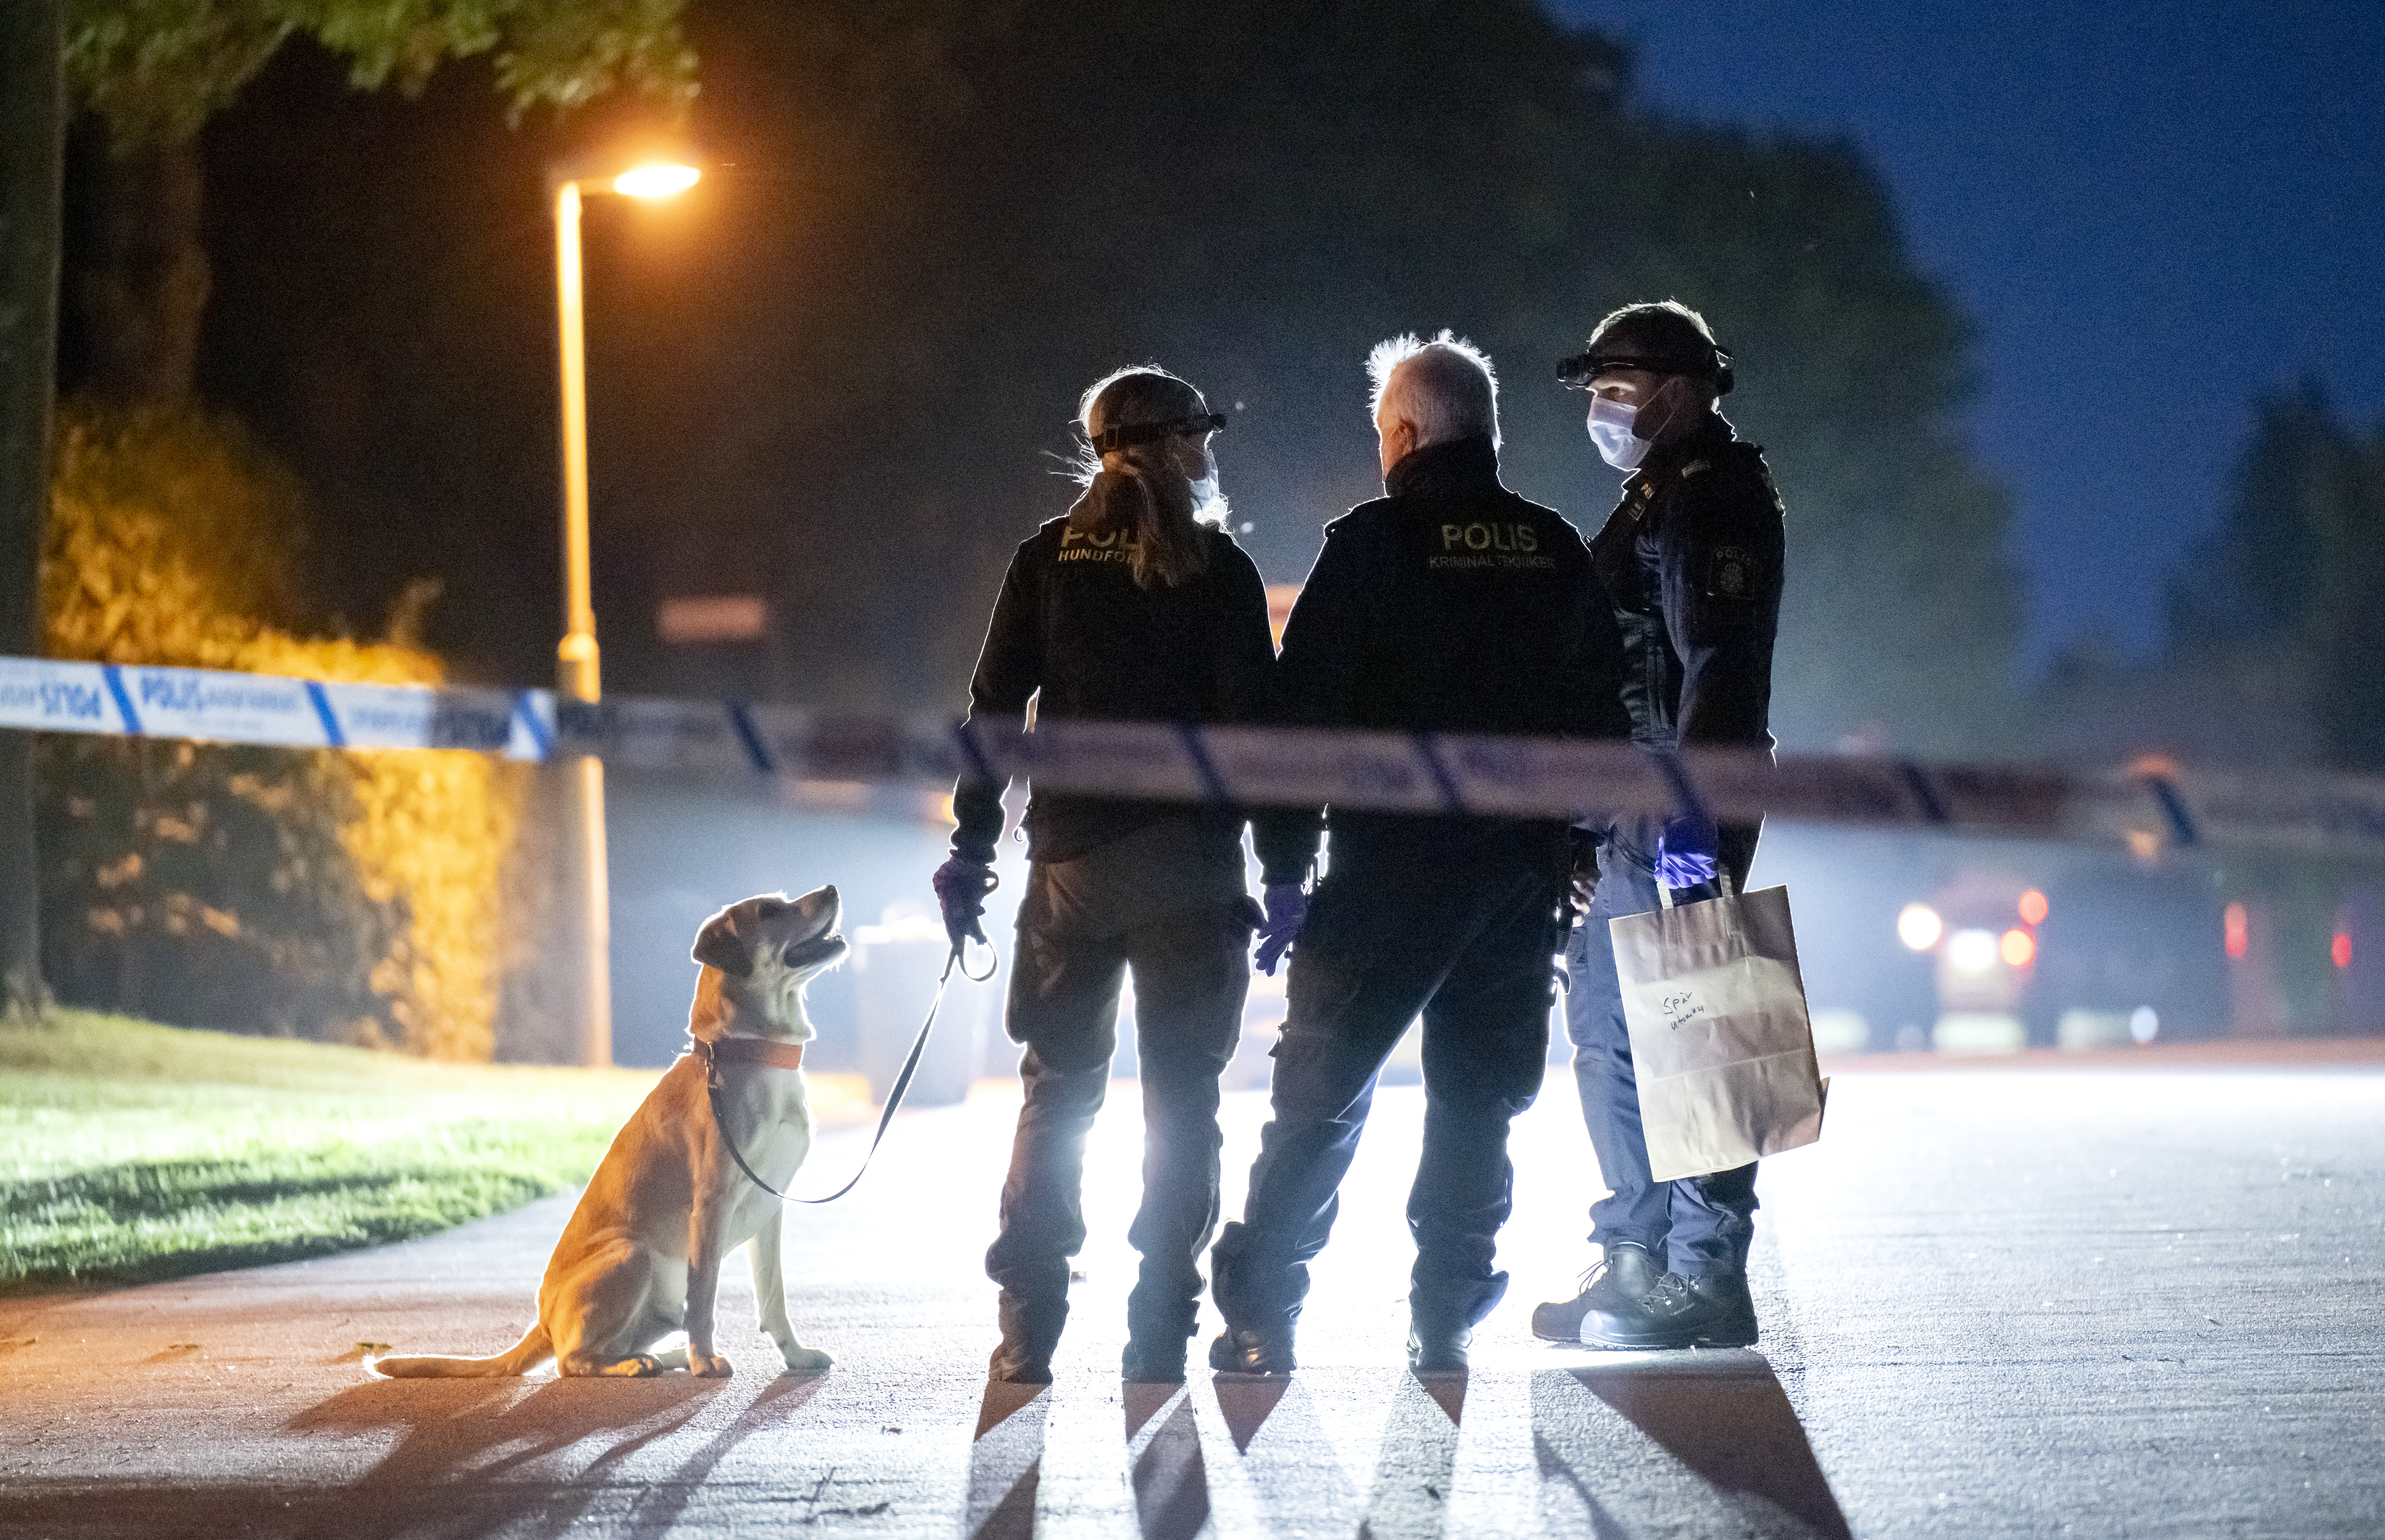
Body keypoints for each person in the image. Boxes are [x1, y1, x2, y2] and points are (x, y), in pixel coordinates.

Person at [1208, 332, 1631, 1376]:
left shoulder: (1371, 544)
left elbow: (1303, 721)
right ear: (1485, 431)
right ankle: (1446, 1312)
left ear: (1402, 432)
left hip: (1382, 877)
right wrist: (1578, 841)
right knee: (1478, 1103)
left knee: (1320, 1098)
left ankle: (1263, 1312)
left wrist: (1286, 868)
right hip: (1517, 879)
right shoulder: (1553, 547)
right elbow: (1601, 719)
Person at [933, 367, 1283, 1386]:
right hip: (1192, 871)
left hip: (1071, 873)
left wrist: (971, 848)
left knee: (1059, 1097)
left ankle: (1028, 1334)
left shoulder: (1046, 559)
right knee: (1184, 1102)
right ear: (1171, 445)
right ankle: (1159, 1334)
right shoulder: (1219, 568)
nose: (1208, 451)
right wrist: (1287, 868)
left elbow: (994, 711)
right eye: (1199, 435)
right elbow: (1260, 739)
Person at [1532, 299, 1788, 1351]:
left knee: (1701, 1032)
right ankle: (1636, 1259)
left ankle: (1706, 1275)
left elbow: (1719, 664)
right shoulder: (1656, 497)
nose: (1599, 410)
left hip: (1674, 798)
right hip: (1622, 805)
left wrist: (1693, 819)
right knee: (1611, 1039)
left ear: (1675, 393)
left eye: (1615, 390)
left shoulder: (1713, 497)